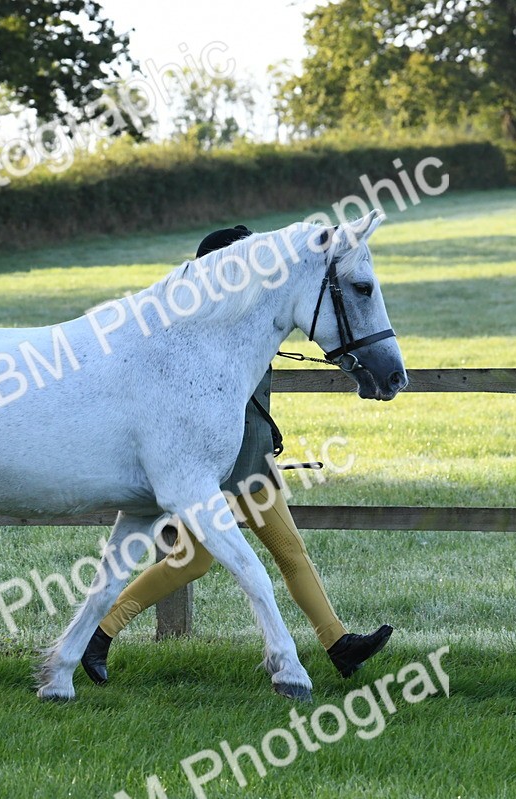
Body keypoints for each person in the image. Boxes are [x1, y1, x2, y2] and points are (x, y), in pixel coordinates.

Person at [80, 225, 393, 685]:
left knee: (271, 554)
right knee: (202, 560)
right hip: (219, 472)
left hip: (252, 463)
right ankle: (99, 631)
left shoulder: (246, 326)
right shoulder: (207, 338)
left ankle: (338, 644)